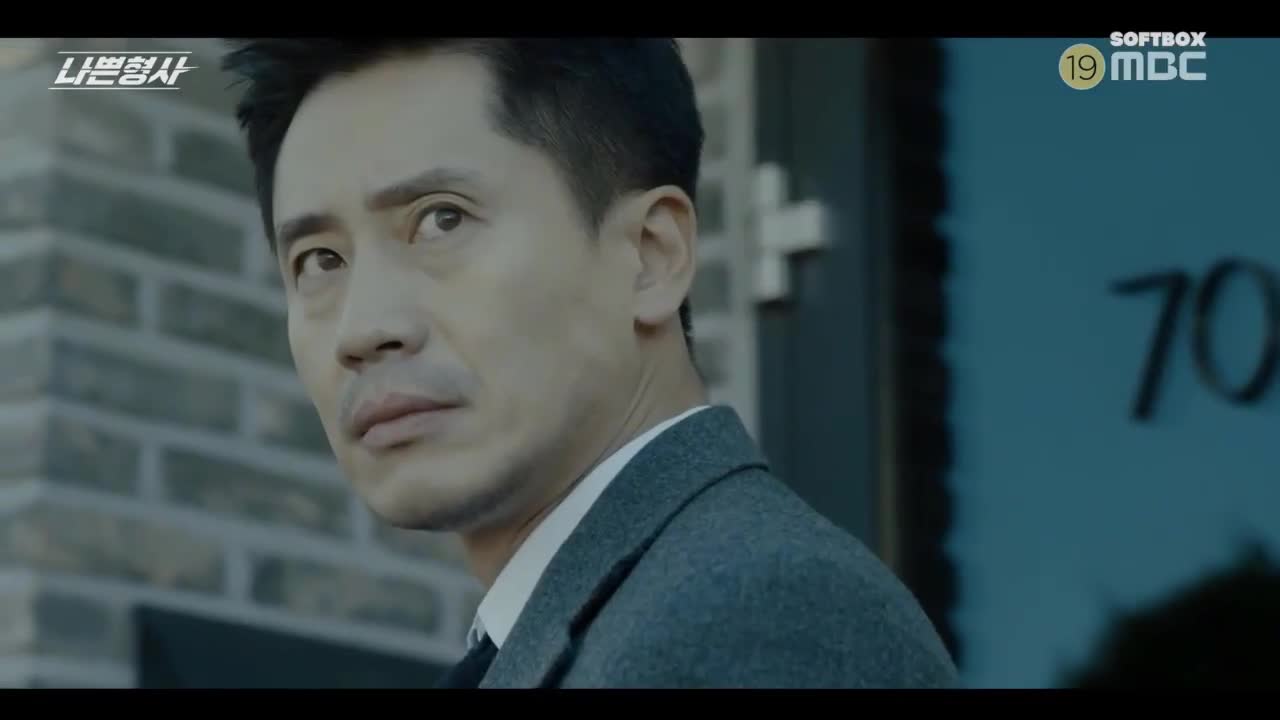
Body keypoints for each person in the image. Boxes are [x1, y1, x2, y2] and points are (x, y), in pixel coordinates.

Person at [220, 38, 958, 689]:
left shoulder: (755, 614)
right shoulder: (614, 618)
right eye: (319, 261)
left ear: (650, 256)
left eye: (441, 219)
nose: (363, 329)